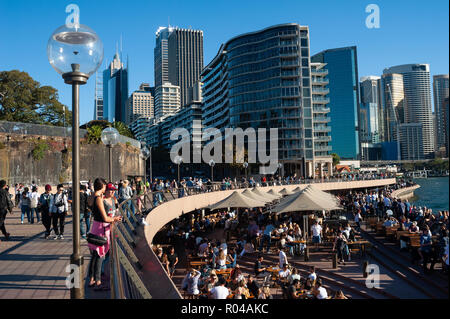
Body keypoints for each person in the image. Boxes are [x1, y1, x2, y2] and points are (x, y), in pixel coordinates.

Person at [87, 178, 122, 290]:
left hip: (96, 227)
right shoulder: (98, 198)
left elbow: (89, 203)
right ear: (102, 187)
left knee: (96, 255)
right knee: (100, 255)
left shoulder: (94, 197)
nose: (107, 189)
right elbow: (105, 218)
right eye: (105, 187)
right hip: (101, 228)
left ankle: (92, 279)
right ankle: (98, 282)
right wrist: (115, 219)